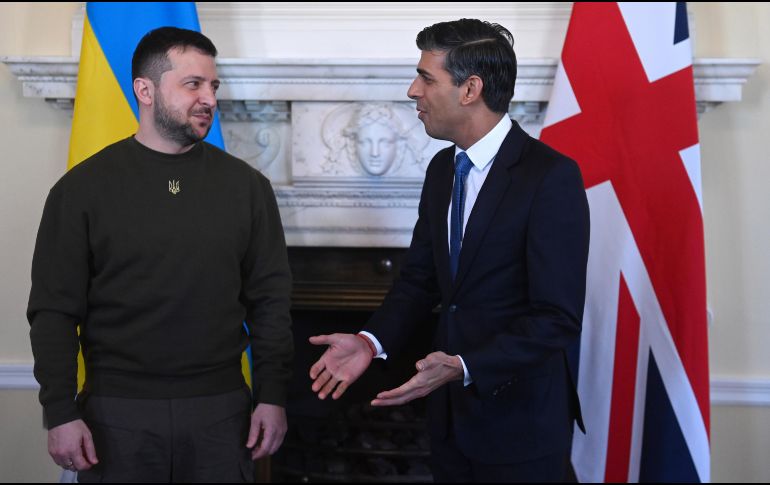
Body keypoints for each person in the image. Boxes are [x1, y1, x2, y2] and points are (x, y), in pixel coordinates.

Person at [309, 18, 589, 482]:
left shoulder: (550, 177)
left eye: (427, 77)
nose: (412, 90)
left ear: (470, 89)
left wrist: (465, 366)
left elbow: (556, 317)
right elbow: (420, 280)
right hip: (449, 428)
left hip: (521, 430)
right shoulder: (443, 169)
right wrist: (369, 341)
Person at [27, 27, 293, 483]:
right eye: (193, 84)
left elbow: (270, 302)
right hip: (115, 417)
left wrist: (272, 395)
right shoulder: (81, 190)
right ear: (144, 90)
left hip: (223, 413)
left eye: (213, 86)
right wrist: (59, 411)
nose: (208, 98)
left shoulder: (248, 188)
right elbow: (52, 311)